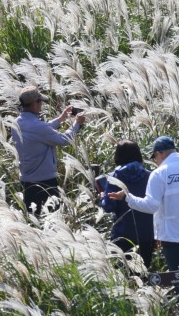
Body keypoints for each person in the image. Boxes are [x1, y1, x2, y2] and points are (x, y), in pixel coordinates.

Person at [108, 136, 179, 308]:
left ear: (160, 153)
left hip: (173, 239)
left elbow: (151, 206)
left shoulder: (160, 174)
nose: (155, 162)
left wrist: (127, 197)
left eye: (154, 157)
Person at [11, 85, 85, 216]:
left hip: (27, 181)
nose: (42, 105)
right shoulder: (37, 127)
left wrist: (61, 118)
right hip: (44, 183)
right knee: (51, 222)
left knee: (34, 222)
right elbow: (63, 140)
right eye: (40, 102)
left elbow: (41, 129)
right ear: (34, 105)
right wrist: (77, 124)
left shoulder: (17, 123)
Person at [97, 140, 155, 268]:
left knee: (123, 277)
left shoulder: (114, 178)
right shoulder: (150, 176)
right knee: (144, 276)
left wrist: (102, 198)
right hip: (147, 234)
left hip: (122, 234)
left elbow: (108, 206)